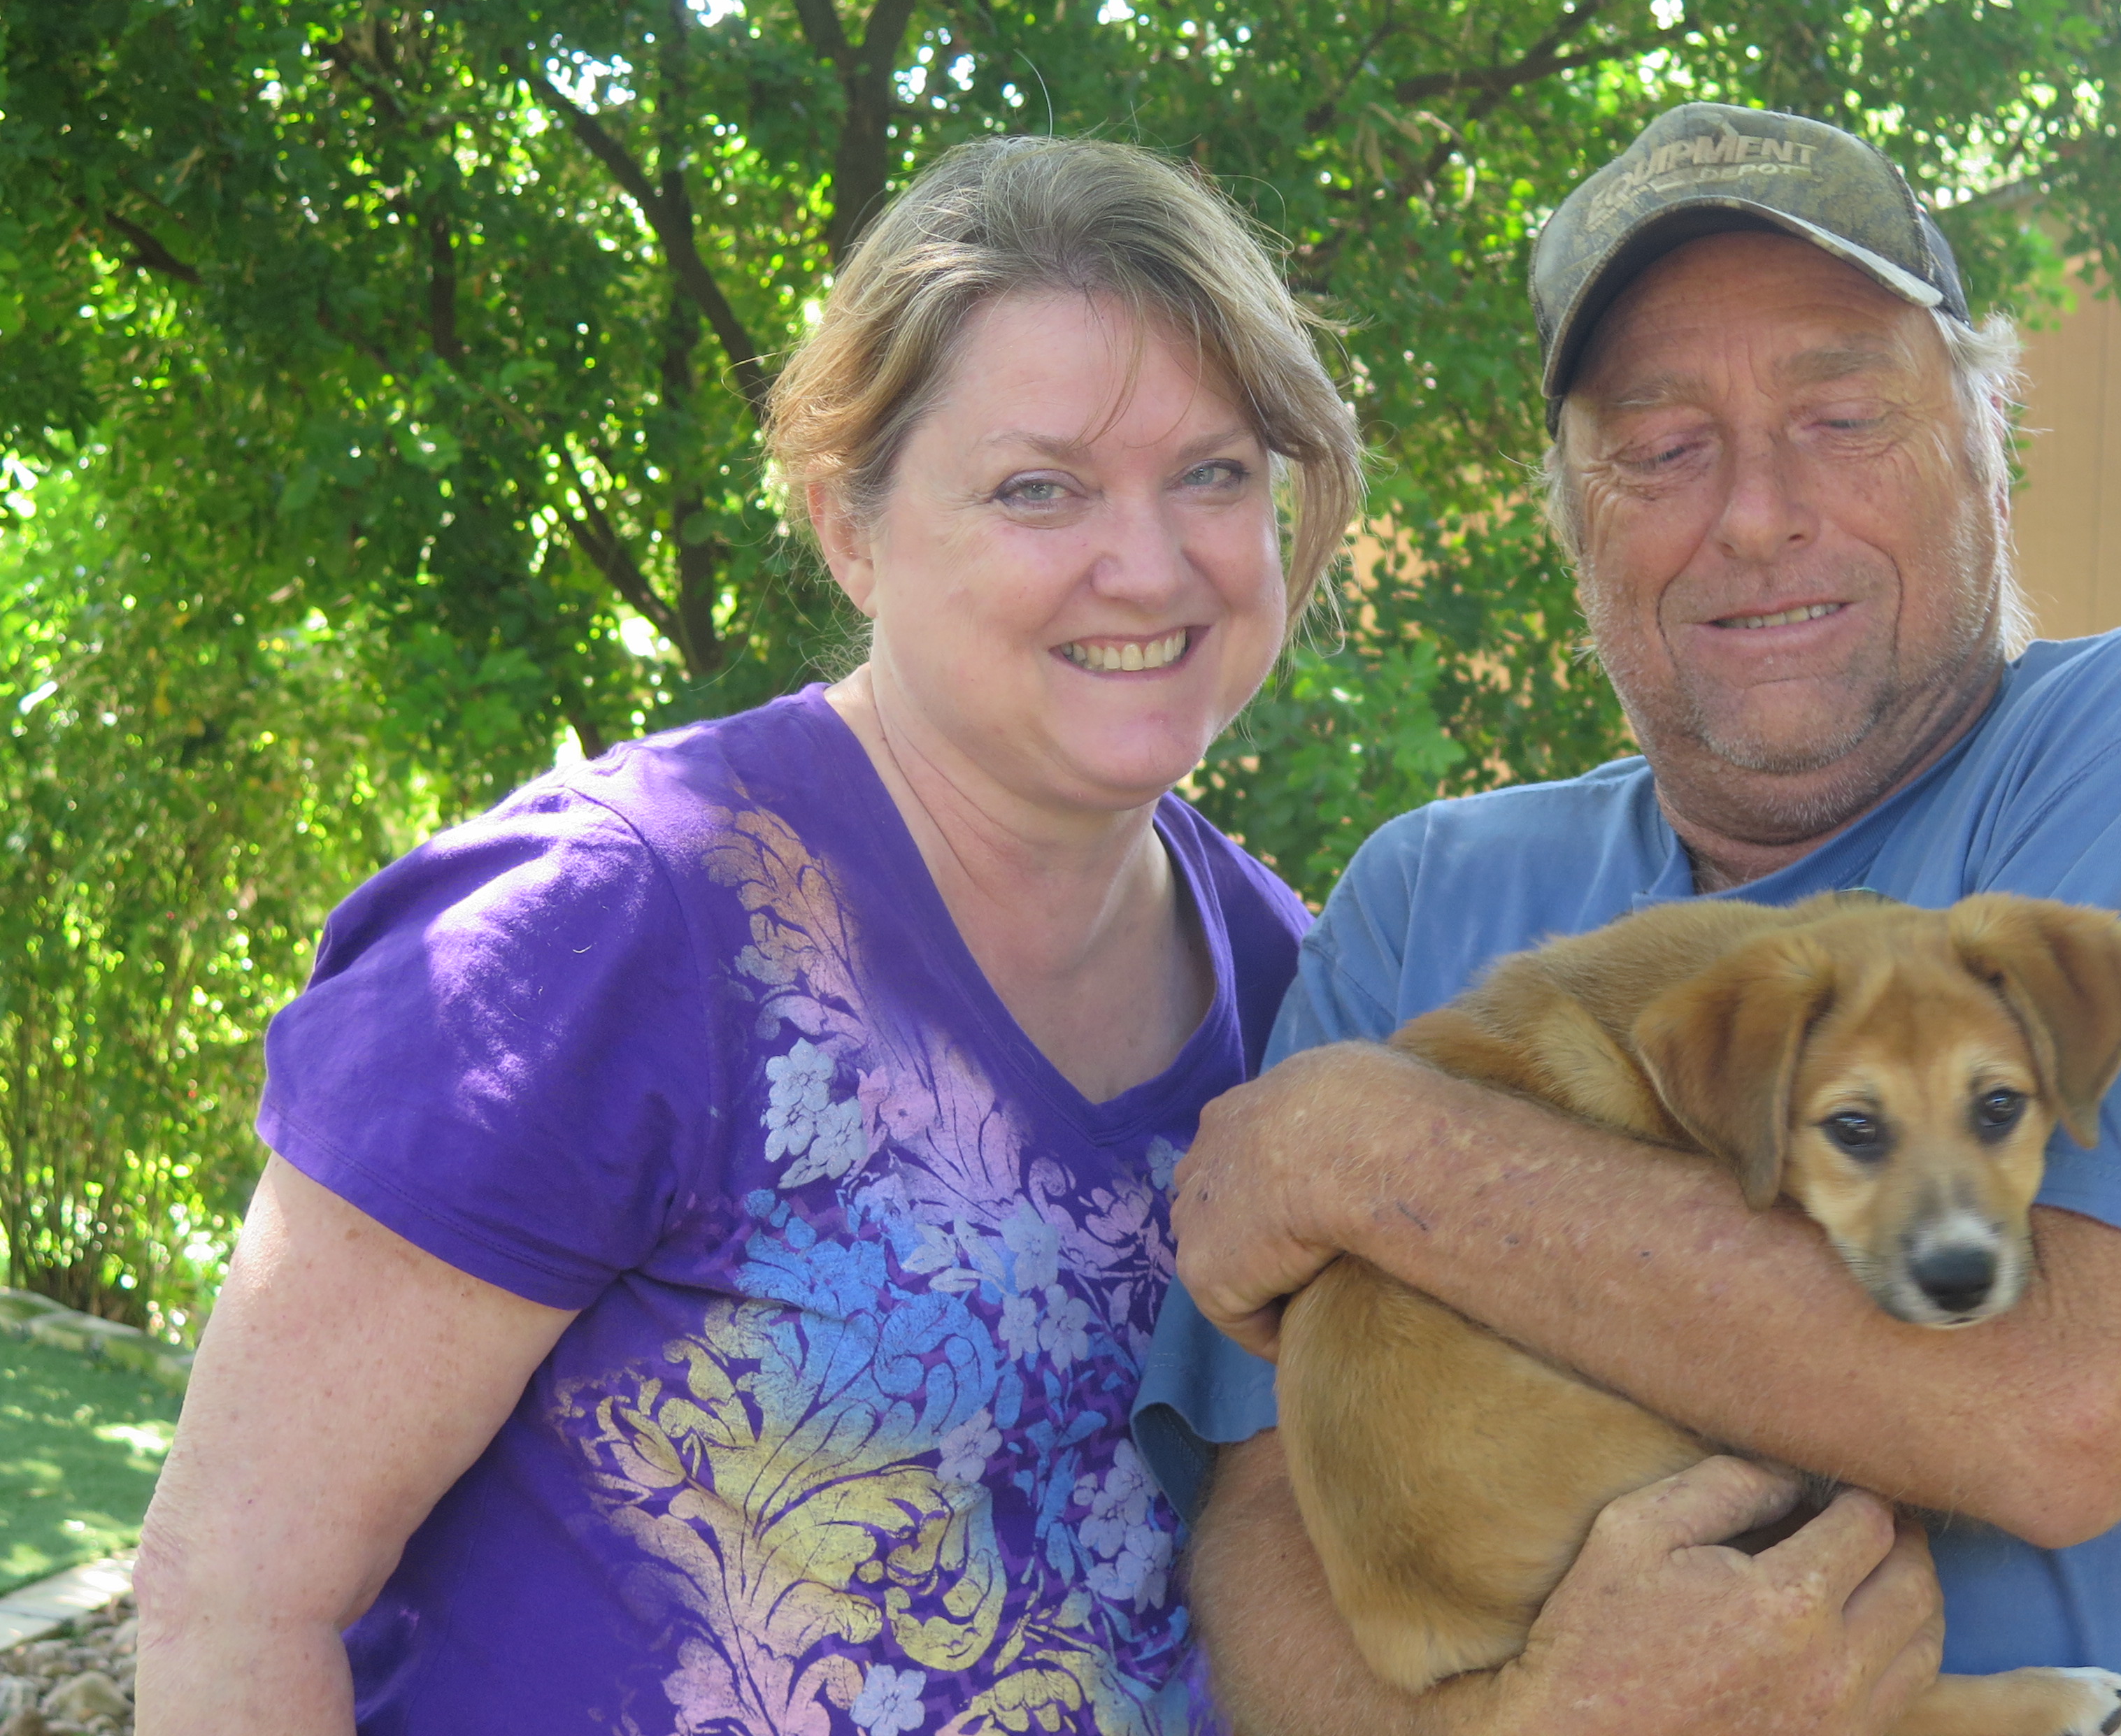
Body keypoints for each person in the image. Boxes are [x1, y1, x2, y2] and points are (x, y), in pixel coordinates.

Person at [1136, 102, 2121, 1736]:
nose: (1752, 513)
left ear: (1986, 436)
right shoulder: (1425, 898)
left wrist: (1379, 1150)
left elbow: (2052, 1417)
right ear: (1571, 515)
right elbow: (1262, 1537)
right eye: (1661, 448)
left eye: (1839, 415)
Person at [130, 136, 1372, 1734]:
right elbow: (237, 1598)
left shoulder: (1294, 984)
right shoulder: (610, 925)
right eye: (1038, 488)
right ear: (848, 525)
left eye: (1211, 473)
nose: (1147, 563)